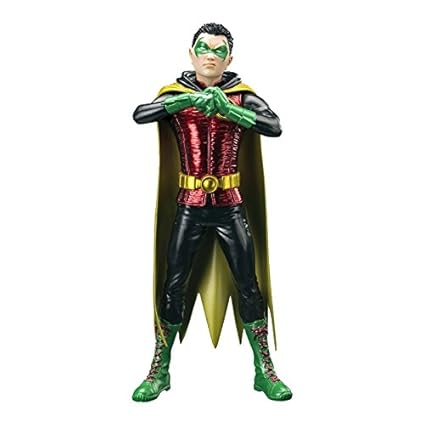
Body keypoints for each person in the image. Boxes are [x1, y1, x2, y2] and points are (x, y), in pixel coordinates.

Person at [132, 22, 292, 402]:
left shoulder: (242, 96)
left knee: (248, 284)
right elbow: (140, 114)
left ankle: (264, 370)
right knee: (173, 284)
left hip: (230, 206)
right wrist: (177, 104)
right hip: (188, 207)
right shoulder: (175, 93)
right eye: (204, 48)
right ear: (191, 54)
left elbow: (274, 126)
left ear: (229, 59)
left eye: (219, 50)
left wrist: (231, 110)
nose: (210, 55)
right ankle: (160, 369)